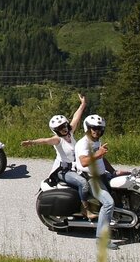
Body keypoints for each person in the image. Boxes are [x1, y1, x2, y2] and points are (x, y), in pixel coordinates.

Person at [21, 93, 92, 219]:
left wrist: (83, 104)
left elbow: (76, 117)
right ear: (56, 130)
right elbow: (45, 140)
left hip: (76, 167)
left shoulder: (70, 133)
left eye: (64, 125)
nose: (64, 129)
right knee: (83, 183)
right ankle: (85, 210)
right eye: (60, 128)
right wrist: (31, 142)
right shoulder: (58, 140)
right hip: (63, 171)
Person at [77, 114, 123, 251]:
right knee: (109, 203)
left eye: (100, 129)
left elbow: (101, 159)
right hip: (91, 178)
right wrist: (99, 153)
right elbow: (84, 162)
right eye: (94, 128)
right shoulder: (83, 143)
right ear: (87, 128)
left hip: (103, 175)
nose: (97, 131)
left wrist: (114, 172)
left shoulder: (96, 140)